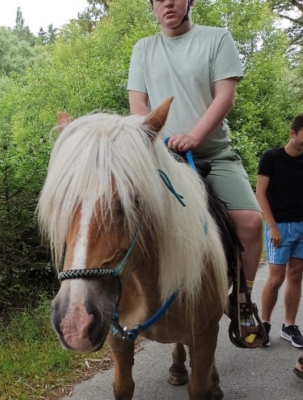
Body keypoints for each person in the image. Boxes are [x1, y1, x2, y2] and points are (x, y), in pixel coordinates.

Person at [127, 0, 263, 344]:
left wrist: (194, 137)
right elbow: (138, 105)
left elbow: (224, 96)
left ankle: (241, 300)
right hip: (161, 158)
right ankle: (122, 303)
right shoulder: (143, 48)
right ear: (153, 7)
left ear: (190, 2)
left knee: (250, 222)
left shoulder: (217, 39)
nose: (167, 3)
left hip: (213, 154)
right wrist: (152, 143)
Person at [256, 114, 303, 348]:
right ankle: (264, 324)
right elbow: (260, 193)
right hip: (279, 226)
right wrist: (272, 225)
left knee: (296, 275)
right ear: (292, 133)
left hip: (302, 226)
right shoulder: (271, 157)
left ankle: (289, 326)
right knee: (276, 278)